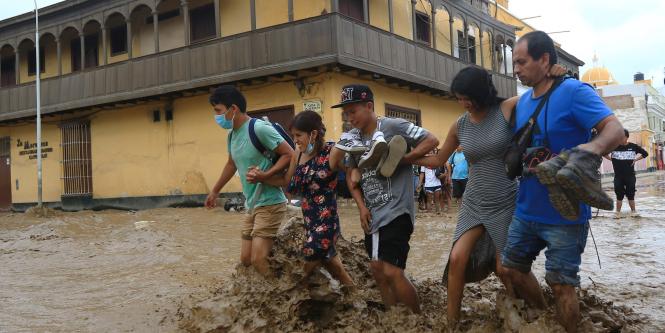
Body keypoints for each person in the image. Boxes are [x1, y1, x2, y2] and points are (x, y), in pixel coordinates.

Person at [502, 31, 624, 333]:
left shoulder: (574, 92)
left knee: (561, 284)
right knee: (511, 270)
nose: (515, 69)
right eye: (513, 63)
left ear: (544, 59)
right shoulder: (522, 102)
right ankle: (547, 319)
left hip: (565, 214)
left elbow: (616, 130)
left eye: (521, 62)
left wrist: (591, 148)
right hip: (526, 208)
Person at [415, 66, 525, 326]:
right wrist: (405, 159)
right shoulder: (460, 125)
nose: (463, 103)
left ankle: (521, 315)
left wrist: (555, 76)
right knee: (457, 259)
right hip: (475, 200)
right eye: (459, 97)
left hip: (506, 198)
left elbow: (542, 94)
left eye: (467, 97)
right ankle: (451, 323)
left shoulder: (506, 109)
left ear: (482, 93)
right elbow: (439, 159)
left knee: (504, 268)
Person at [330, 84, 439, 313]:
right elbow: (351, 178)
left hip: (397, 209)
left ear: (369, 106)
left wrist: (403, 160)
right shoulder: (354, 139)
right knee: (377, 269)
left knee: (391, 270)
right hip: (372, 213)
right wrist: (361, 208)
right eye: (346, 114)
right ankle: (393, 317)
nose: (350, 118)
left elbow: (432, 140)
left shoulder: (392, 126)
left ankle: (418, 322)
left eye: (353, 111)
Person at [248, 111, 354, 287]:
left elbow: (353, 172)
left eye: (298, 135)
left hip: (326, 222)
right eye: (293, 136)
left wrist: (364, 204)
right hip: (310, 222)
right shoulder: (297, 154)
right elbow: (285, 181)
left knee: (304, 265)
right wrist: (262, 177)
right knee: (335, 268)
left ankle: (286, 296)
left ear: (313, 134)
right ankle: (354, 297)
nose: (295, 140)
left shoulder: (332, 152)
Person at [204, 85, 294, 277]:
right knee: (246, 260)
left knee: (258, 259)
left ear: (233, 109)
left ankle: (278, 295)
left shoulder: (258, 128)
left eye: (218, 111)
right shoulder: (232, 135)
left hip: (271, 202)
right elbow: (231, 164)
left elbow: (290, 154)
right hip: (252, 204)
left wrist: (265, 175)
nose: (217, 117)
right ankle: (281, 260)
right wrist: (215, 191)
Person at [604, 129, 648, 218]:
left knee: (630, 194)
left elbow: (645, 153)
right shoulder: (613, 146)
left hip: (630, 175)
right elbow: (603, 153)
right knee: (619, 194)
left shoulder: (633, 146)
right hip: (618, 176)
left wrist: (635, 160)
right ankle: (617, 213)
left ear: (627, 137)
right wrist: (611, 159)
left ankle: (633, 212)